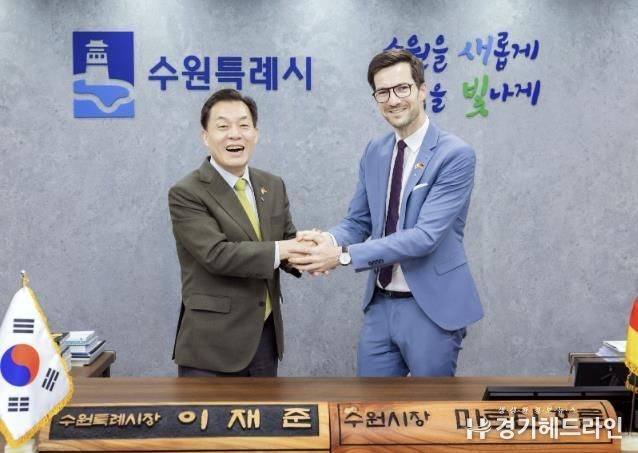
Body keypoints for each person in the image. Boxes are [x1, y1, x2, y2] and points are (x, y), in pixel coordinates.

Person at [290, 49, 483, 377]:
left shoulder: (455, 155)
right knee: (370, 406)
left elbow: (424, 237)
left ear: (422, 90)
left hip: (432, 309)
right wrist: (326, 241)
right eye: (382, 92)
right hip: (379, 305)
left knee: (430, 408)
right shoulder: (375, 151)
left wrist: (343, 256)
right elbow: (358, 220)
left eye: (402, 88)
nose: (393, 100)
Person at [169, 88, 303, 377]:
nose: (234, 135)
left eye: (243, 125)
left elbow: (286, 239)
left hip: (264, 339)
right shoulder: (186, 192)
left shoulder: (273, 184)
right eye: (222, 126)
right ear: (205, 136)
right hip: (211, 347)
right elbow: (216, 254)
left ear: (256, 133)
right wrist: (286, 249)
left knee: (266, 410)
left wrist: (312, 251)